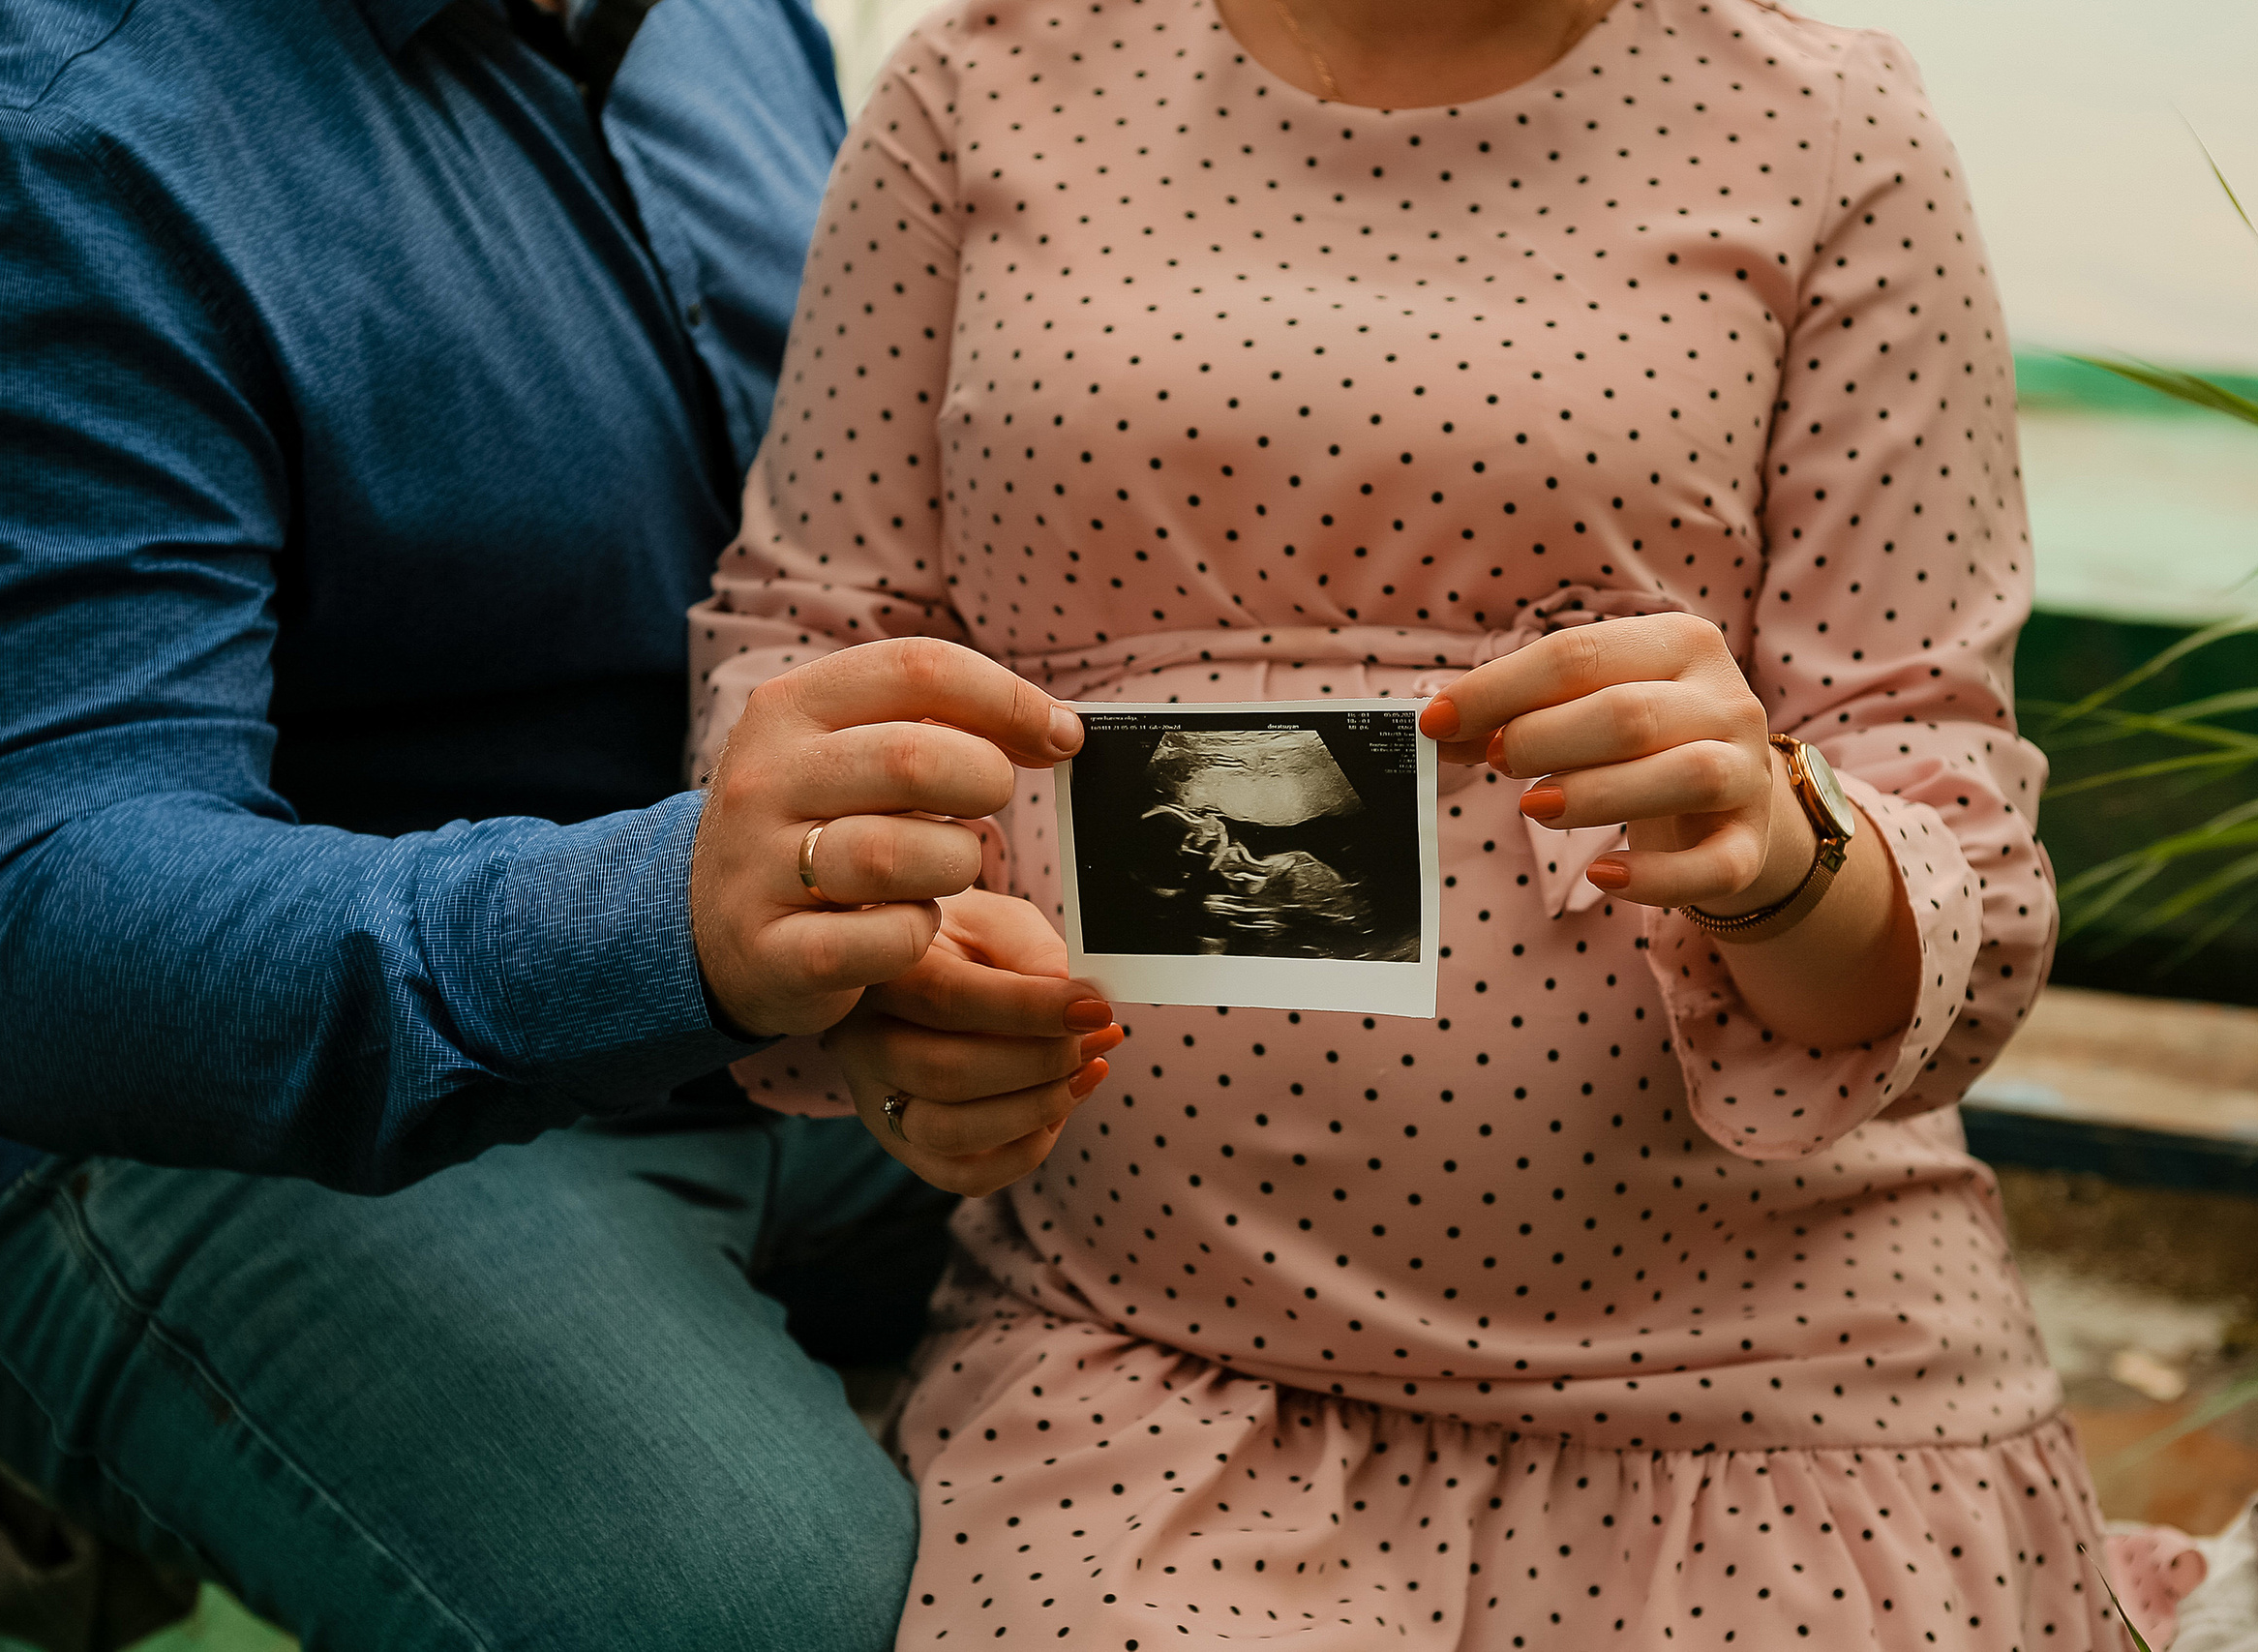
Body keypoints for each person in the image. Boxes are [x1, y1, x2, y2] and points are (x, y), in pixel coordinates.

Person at [688, 0, 2126, 1644]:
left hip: (1779, 1388)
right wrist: (895, 971)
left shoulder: (1829, 124)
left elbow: (1939, 823)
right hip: (1146, 1360)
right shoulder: (985, 81)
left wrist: (1786, 856)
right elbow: (812, 648)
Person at [0, 0, 1108, 1643]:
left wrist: (887, 938)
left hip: (762, 1021)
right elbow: (39, 897)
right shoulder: (59, 128)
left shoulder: (732, 27)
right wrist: (664, 924)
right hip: (199, 1125)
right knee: (763, 1606)